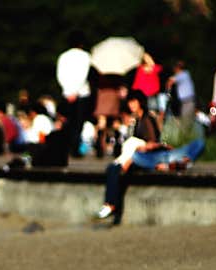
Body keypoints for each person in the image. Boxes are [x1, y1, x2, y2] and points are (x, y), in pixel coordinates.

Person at [94, 90, 164, 224]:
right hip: (135, 156)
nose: (131, 105)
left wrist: (134, 156)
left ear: (140, 103)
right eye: (130, 102)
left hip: (144, 157)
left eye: (134, 102)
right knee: (112, 169)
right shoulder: (136, 120)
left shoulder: (147, 119)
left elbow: (153, 143)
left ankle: (111, 205)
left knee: (115, 169)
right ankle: (111, 205)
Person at [56, 29, 93, 158]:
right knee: (78, 123)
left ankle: (66, 148)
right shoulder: (86, 56)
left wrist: (68, 90)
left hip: (67, 93)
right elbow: (83, 75)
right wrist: (75, 91)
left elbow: (60, 76)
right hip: (81, 94)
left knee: (68, 122)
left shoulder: (63, 56)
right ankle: (74, 148)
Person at [166, 60, 196, 128]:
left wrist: (168, 91)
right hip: (184, 101)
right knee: (183, 119)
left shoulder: (184, 74)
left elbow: (170, 81)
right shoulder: (184, 74)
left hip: (188, 100)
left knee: (186, 120)